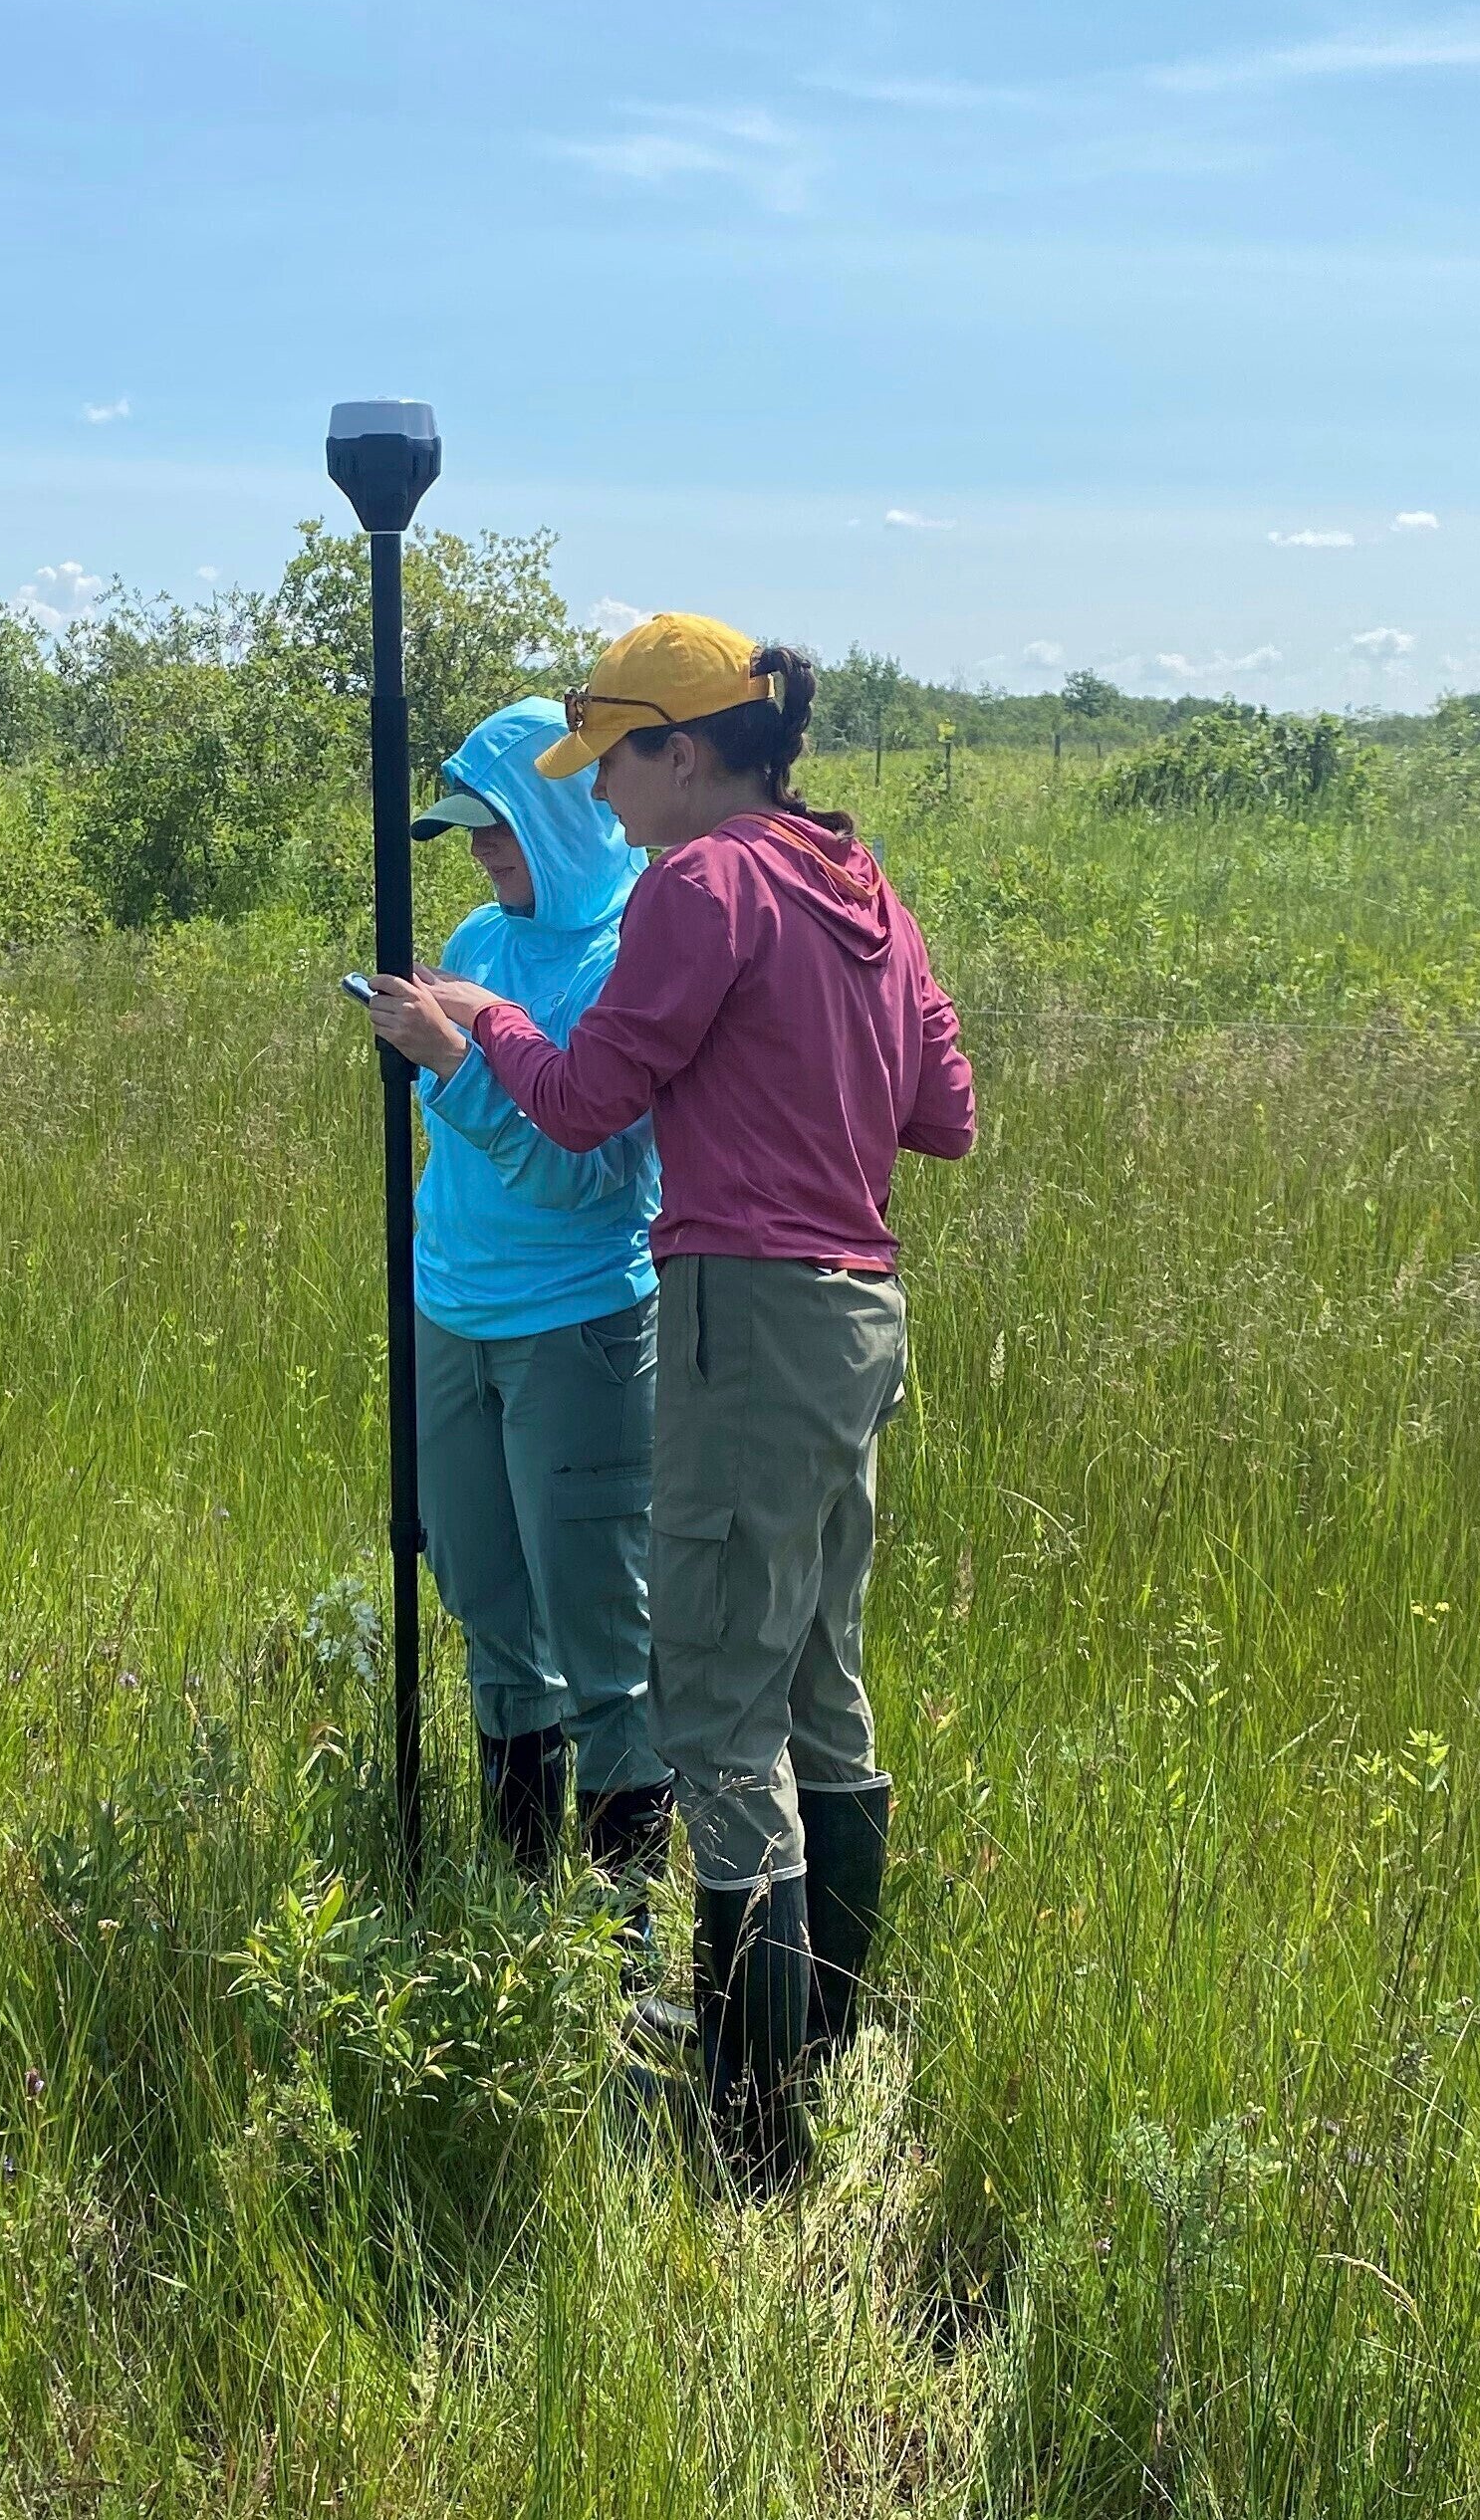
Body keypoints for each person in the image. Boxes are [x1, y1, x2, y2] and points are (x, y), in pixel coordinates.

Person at [369, 618, 975, 2190]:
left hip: (739, 1315)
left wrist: (484, 1026)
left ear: (684, 748)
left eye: (617, 762)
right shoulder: (859, 883)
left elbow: (579, 1104)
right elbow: (942, 1112)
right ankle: (823, 2048)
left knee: (711, 1702)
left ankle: (743, 2130)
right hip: (857, 1307)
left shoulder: (705, 882)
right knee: (818, 1685)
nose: (607, 802)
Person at [395, 697, 675, 1940]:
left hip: (576, 1330)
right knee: (485, 1603)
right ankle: (513, 1908)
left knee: (596, 1631)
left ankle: (621, 1944)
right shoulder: (474, 936)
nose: (478, 857)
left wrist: (450, 1066)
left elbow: (590, 1173)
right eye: (466, 834)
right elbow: (460, 1141)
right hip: (451, 1311)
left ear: (562, 816)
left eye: (496, 831)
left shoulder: (630, 959)